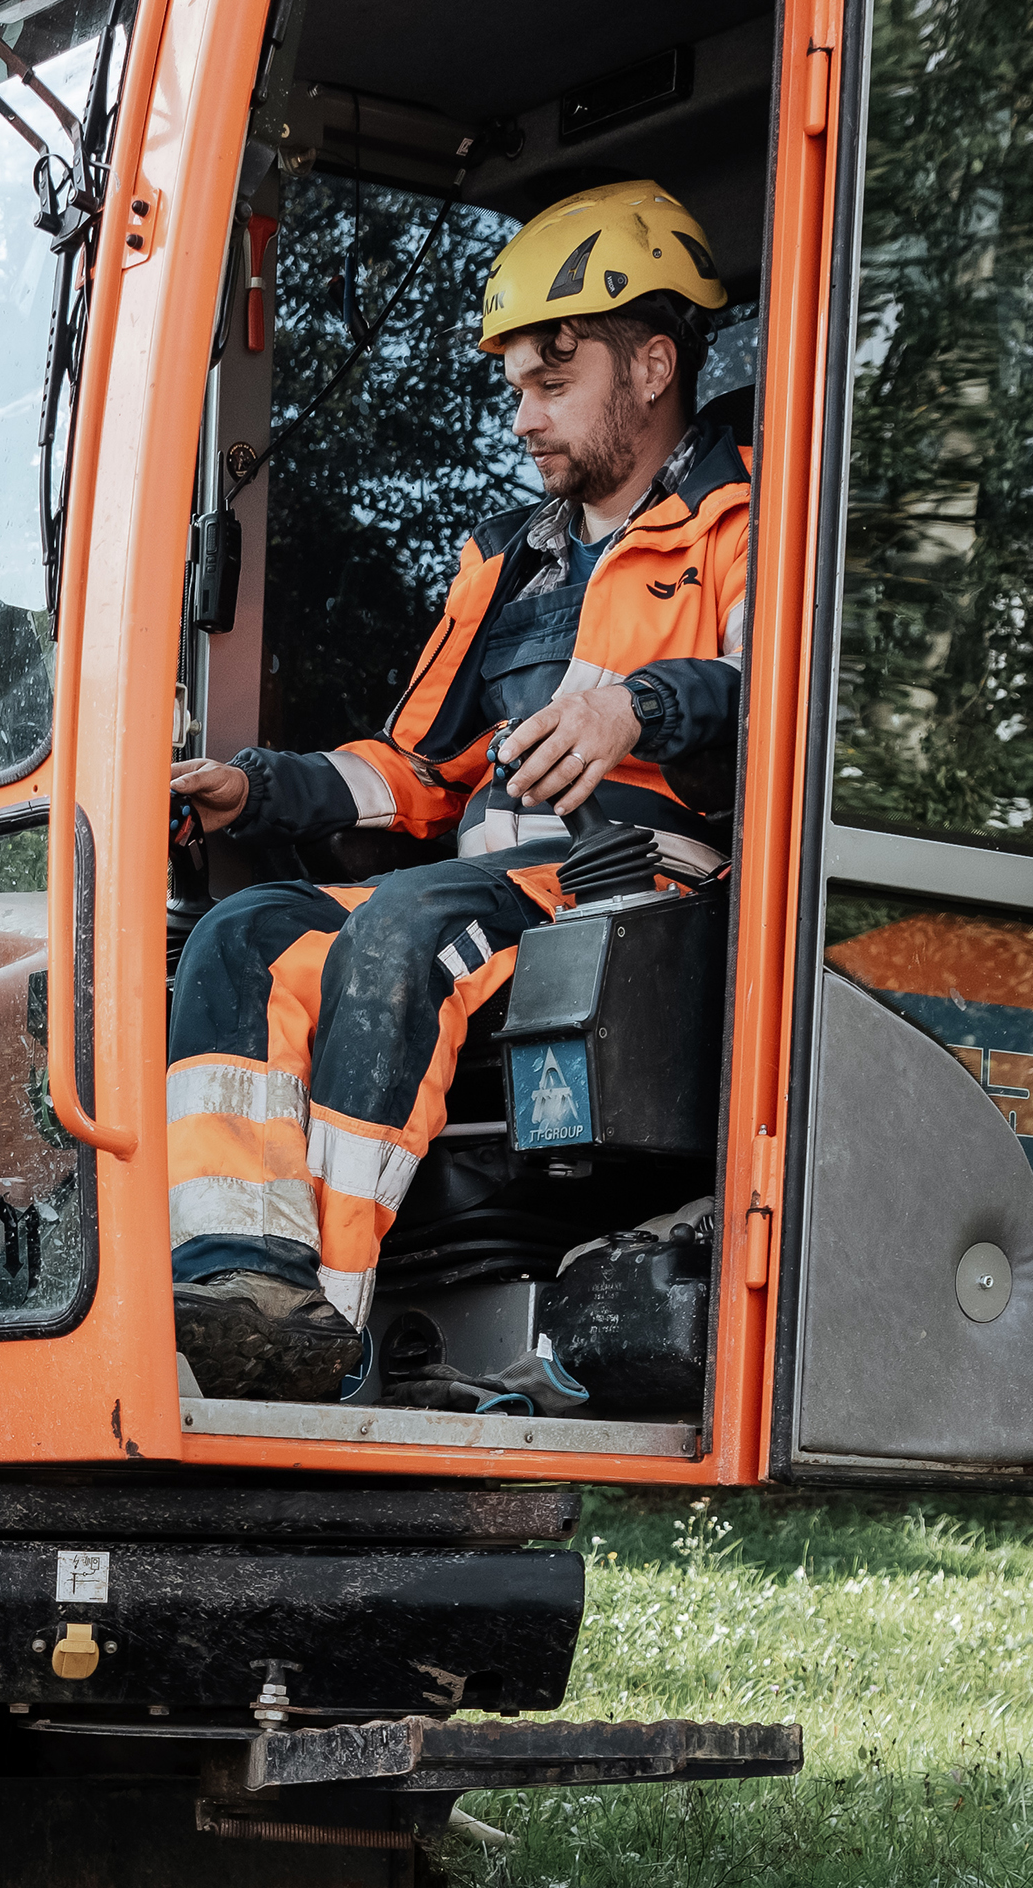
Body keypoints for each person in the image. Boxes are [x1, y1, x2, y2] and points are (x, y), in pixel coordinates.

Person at [164, 183, 749, 1399]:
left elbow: (780, 703)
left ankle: (321, 1327)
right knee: (244, 931)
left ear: (651, 365)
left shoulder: (743, 525)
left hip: (639, 882)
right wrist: (252, 789)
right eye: (514, 388)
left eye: (552, 379)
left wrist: (637, 704)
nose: (524, 416)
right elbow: (421, 773)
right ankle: (235, 1286)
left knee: (398, 930)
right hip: (486, 878)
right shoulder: (504, 561)